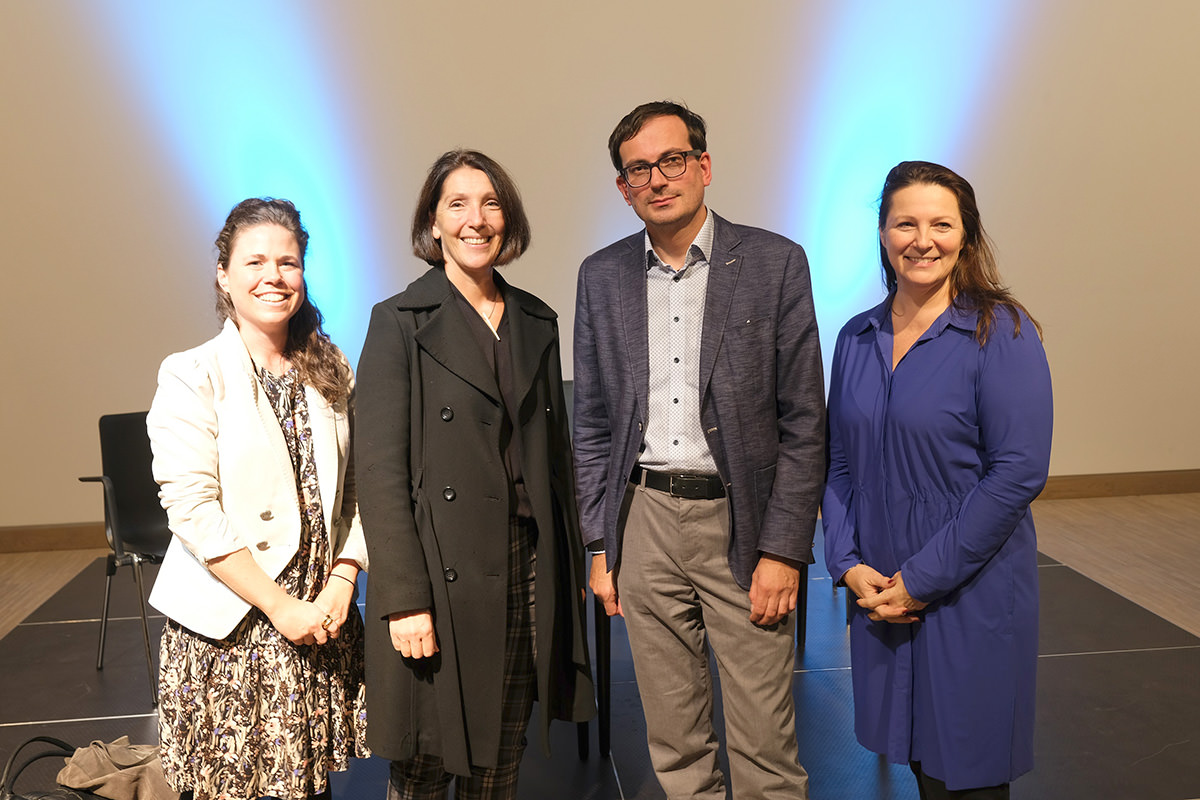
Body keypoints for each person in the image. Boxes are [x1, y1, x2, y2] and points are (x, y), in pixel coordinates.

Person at [573, 101, 825, 799]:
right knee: (677, 746)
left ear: (704, 166)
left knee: (765, 748)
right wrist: (599, 546)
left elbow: (805, 421)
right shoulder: (602, 276)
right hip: (643, 521)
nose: (658, 178)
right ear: (624, 188)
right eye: (638, 170)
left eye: (672, 160)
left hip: (740, 523)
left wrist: (784, 550)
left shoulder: (774, 263)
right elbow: (591, 424)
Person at [355, 149, 594, 800]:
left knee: (501, 756)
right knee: (426, 765)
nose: (476, 219)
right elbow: (377, 473)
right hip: (437, 572)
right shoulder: (399, 323)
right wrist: (403, 598)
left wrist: (570, 568)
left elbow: (555, 463)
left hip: (527, 567)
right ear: (433, 223)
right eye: (457, 204)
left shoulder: (535, 322)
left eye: (490, 203)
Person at [822, 161, 1053, 799]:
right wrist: (844, 561)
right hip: (881, 583)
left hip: (968, 582)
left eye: (941, 224)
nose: (923, 240)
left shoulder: (999, 332)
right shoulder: (856, 337)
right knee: (919, 760)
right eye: (906, 223)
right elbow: (838, 461)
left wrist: (922, 581)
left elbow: (1017, 472)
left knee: (969, 775)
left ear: (966, 236)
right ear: (883, 233)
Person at [147, 197, 369, 800]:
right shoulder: (190, 373)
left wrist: (342, 583)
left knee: (310, 787)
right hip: (235, 630)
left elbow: (356, 490)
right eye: (255, 262)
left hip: (319, 617)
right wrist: (280, 607)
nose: (274, 276)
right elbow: (194, 511)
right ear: (224, 273)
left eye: (288, 262)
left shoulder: (331, 367)